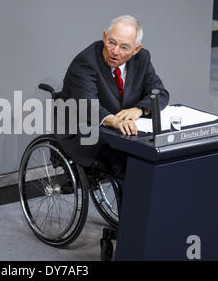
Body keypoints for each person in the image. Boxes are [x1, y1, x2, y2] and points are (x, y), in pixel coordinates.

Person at [56, 15, 169, 179]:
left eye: (124, 47)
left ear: (136, 49)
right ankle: (135, 204)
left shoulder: (142, 58)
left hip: (124, 134)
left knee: (161, 155)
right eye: (111, 42)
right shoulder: (85, 62)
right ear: (104, 37)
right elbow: (87, 105)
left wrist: (140, 109)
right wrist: (115, 121)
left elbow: (160, 92)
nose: (115, 51)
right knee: (129, 163)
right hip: (84, 132)